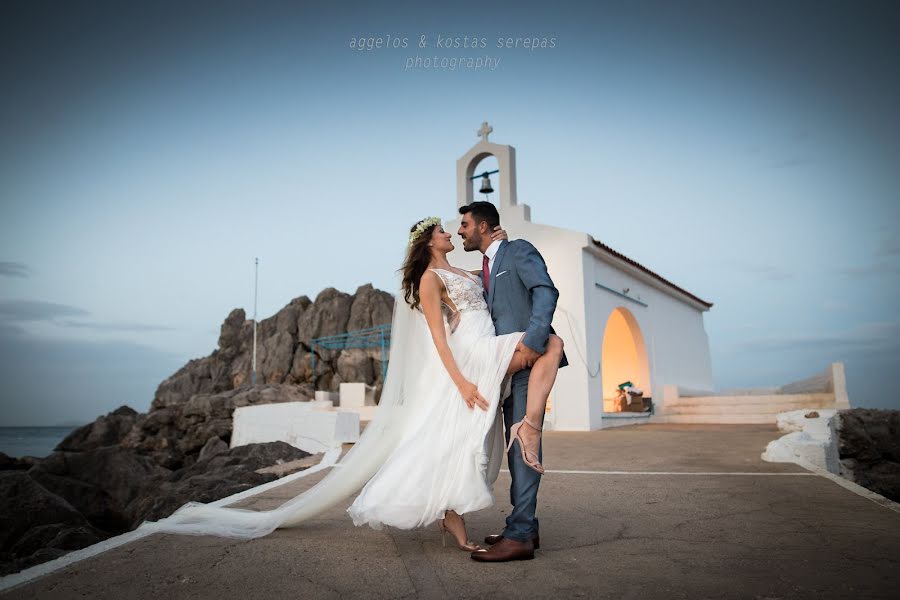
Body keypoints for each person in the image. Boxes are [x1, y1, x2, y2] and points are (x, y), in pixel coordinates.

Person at [136, 215, 564, 563]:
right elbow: (438, 337)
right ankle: (526, 430)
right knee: (548, 346)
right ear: (428, 242)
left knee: (457, 437)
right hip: (470, 355)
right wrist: (461, 381)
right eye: (442, 230)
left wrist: (496, 242)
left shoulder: (463, 270)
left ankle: (522, 437)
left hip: (483, 343)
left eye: (458, 226)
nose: (451, 231)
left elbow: (489, 276)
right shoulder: (431, 279)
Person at [456, 201, 568, 562]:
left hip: (526, 363)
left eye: (465, 225)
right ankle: (525, 528)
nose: (460, 231)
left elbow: (545, 291)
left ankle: (519, 536)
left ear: (484, 226)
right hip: (500, 367)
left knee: (524, 442)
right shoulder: (487, 266)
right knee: (513, 446)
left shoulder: (518, 250)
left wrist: (532, 342)